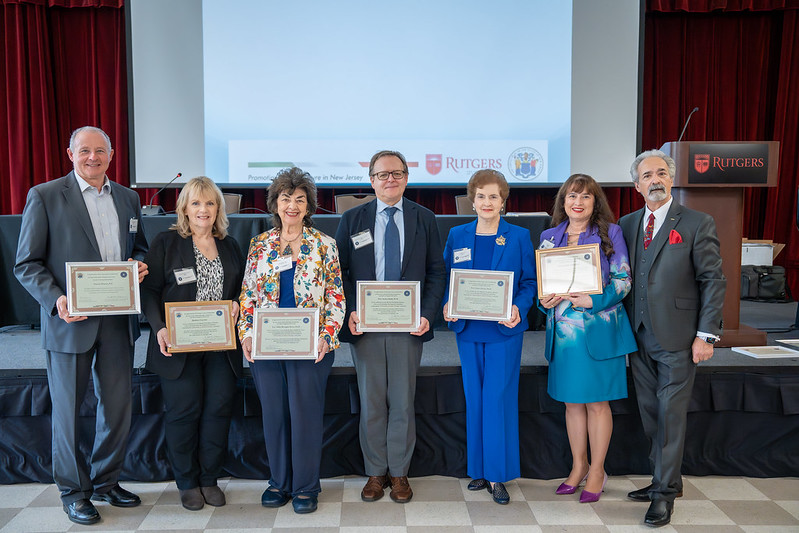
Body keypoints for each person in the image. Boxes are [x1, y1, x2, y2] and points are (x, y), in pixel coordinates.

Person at [14, 126, 149, 525]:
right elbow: (27, 263)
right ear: (70, 154)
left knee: (117, 408)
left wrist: (139, 265)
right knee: (68, 412)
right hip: (70, 322)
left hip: (118, 321)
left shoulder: (128, 198)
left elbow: (138, 248)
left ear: (111, 155)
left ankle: (106, 481)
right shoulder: (45, 195)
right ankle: (74, 492)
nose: (93, 157)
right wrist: (57, 300)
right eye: (85, 150)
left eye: (100, 151)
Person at [619, 150, 725, 527]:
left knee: (670, 415)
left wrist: (706, 336)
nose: (655, 180)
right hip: (638, 335)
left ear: (671, 179)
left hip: (680, 337)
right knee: (651, 414)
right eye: (648, 175)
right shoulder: (627, 224)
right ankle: (664, 479)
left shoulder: (697, 222)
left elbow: (712, 280)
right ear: (637, 186)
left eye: (661, 173)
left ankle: (663, 495)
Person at [334, 150, 446, 503]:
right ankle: (375, 471)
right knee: (371, 402)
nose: (390, 180)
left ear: (406, 178)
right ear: (372, 180)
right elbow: (339, 273)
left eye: (396, 173)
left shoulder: (424, 218)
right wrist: (350, 311)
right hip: (365, 325)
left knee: (401, 402)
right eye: (382, 175)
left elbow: (436, 271)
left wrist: (427, 313)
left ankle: (399, 472)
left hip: (409, 326)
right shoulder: (352, 219)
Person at [238, 167, 345, 514]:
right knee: (274, 415)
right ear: (275, 203)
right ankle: (279, 482)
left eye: (300, 199)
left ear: (309, 205)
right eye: (286, 198)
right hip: (266, 345)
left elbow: (336, 297)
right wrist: (247, 334)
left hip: (311, 346)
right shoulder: (260, 245)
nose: (292, 206)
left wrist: (327, 336)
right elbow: (247, 295)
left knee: (305, 415)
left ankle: (305, 486)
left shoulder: (324, 245)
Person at [140, 176, 243, 511]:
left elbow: (241, 290)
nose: (203, 210)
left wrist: (238, 304)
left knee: (218, 409)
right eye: (196, 203)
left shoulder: (230, 245)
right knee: (184, 411)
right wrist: (159, 328)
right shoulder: (166, 242)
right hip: (177, 345)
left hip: (220, 347)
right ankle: (186, 482)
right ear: (184, 207)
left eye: (210, 203)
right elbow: (149, 291)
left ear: (218, 208)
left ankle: (209, 478)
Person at [539, 174, 637, 504]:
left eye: (585, 196)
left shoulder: (610, 233)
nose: (577, 202)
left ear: (596, 202)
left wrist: (593, 300)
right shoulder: (549, 237)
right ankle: (578, 465)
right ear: (563, 201)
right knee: (571, 403)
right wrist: (543, 301)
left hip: (599, 332)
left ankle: (597, 470)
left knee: (596, 403)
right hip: (564, 337)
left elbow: (623, 280)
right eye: (571, 196)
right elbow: (543, 284)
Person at [442, 169, 537, 504]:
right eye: (480, 196)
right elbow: (447, 278)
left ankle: (498, 475)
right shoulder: (457, 235)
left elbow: (529, 283)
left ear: (503, 201)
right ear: (472, 200)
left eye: (493, 196)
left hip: (504, 330)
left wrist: (519, 307)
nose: (486, 202)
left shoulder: (518, 236)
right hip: (468, 329)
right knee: (475, 398)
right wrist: (447, 304)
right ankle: (479, 470)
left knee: (497, 399)